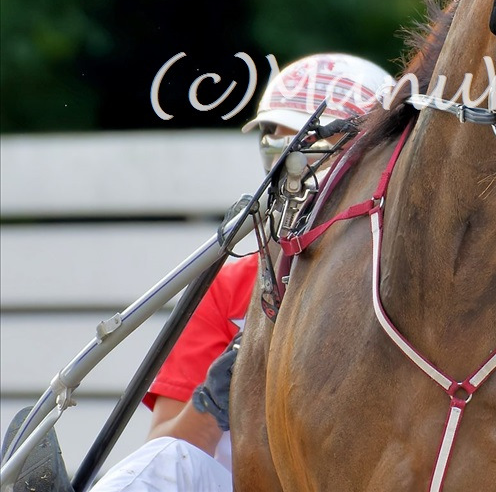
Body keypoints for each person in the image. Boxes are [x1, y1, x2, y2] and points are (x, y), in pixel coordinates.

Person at [2, 54, 392, 492]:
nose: (286, 169)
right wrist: (214, 400)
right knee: (170, 460)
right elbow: (168, 449)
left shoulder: (397, 284)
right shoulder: (234, 285)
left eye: (305, 149)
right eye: (274, 147)